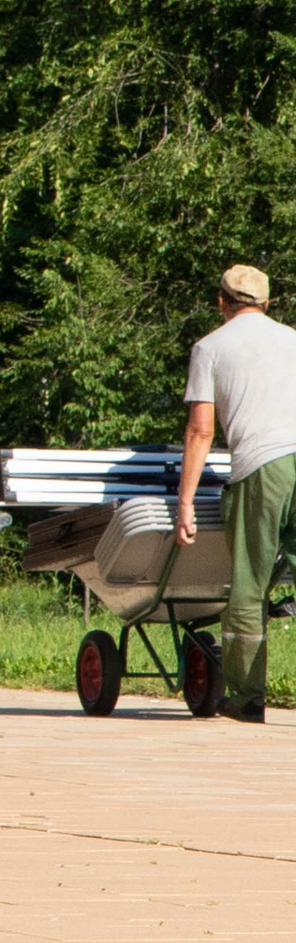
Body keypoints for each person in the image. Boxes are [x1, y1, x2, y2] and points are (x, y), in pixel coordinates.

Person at [176, 261, 296, 723]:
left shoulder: (210, 347)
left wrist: (185, 501)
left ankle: (246, 700)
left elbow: (201, 431)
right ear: (268, 303)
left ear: (222, 303)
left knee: (249, 582)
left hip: (263, 466)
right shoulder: (292, 338)